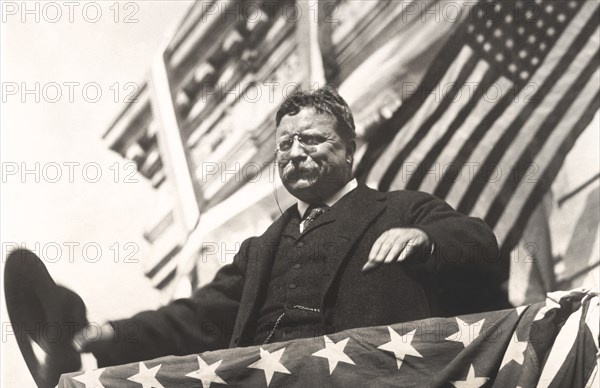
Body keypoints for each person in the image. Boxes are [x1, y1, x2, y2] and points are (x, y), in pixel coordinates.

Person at [70, 87, 502, 368]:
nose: (295, 153)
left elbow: (480, 244)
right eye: (284, 144)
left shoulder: (402, 209)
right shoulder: (259, 251)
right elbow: (195, 317)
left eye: (311, 140)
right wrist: (111, 334)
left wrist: (425, 241)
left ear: (350, 151)